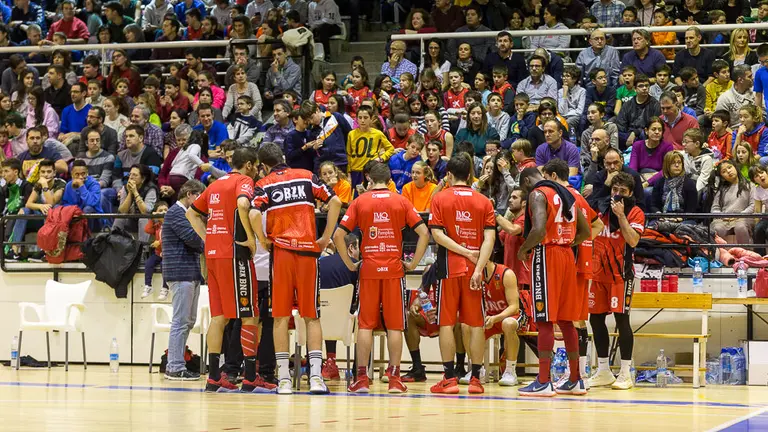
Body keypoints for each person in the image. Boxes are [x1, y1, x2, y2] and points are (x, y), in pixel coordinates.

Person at [249, 143, 342, 395]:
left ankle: (284, 380)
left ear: (264, 164)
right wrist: (325, 236)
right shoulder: (306, 176)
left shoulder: (265, 183)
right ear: (282, 157)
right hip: (307, 254)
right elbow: (335, 201)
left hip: (281, 254)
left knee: (280, 317)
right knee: (311, 316)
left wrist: (263, 239)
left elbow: (254, 214)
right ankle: (315, 378)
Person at [335, 162, 429, 393]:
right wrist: (414, 263)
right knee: (395, 326)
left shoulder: (360, 201)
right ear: (389, 181)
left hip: (368, 269)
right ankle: (395, 380)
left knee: (365, 325)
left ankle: (361, 380)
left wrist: (349, 263)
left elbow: (338, 235)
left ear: (369, 179)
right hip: (394, 270)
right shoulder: (401, 201)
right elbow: (424, 232)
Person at [187, 147, 275, 393]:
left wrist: (207, 239)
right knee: (249, 314)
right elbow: (243, 203)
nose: (257, 171)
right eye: (256, 166)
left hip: (213, 256)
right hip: (234, 255)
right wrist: (251, 238)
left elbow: (192, 214)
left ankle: (214, 377)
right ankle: (249, 377)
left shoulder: (214, 184)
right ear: (247, 164)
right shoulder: (243, 181)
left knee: (220, 317)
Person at [516, 163, 590, 397]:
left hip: (547, 255)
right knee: (567, 320)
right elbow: (586, 232)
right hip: (568, 255)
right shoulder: (570, 194)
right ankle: (575, 379)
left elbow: (538, 230)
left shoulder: (539, 193)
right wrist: (566, 242)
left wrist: (524, 249)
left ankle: (543, 380)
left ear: (527, 182)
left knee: (544, 319)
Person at [426, 153, 496, 395]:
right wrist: (477, 267)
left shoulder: (440, 199)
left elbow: (437, 235)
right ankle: (475, 379)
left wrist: (463, 251)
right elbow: (490, 238)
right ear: (470, 175)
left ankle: (449, 378)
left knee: (446, 322)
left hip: (449, 269)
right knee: (476, 323)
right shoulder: (483, 201)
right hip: (475, 271)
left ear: (448, 175)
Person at [588, 172, 645, 391]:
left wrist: (621, 216)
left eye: (622, 191)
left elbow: (633, 240)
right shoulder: (600, 209)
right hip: (598, 274)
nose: (617, 194)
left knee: (622, 322)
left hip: (621, 275)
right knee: (596, 321)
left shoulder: (636, 212)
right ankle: (603, 370)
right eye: (615, 190)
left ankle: (625, 373)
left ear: (630, 193)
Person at [709, 159, 755, 244]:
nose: (729, 171)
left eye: (730, 167)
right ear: (722, 177)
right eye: (724, 171)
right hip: (725, 220)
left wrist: (739, 215)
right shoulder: (722, 190)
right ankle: (718, 255)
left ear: (735, 167)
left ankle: (745, 254)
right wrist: (723, 216)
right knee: (717, 228)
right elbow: (715, 208)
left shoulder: (750, 186)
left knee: (740, 227)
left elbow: (753, 205)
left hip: (743, 218)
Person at [616, 74, 661, 149]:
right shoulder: (628, 104)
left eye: (647, 86)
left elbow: (654, 125)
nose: (644, 88)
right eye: (641, 86)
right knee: (613, 133)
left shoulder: (655, 104)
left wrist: (635, 132)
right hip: (627, 135)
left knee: (647, 134)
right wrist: (630, 135)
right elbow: (621, 124)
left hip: (644, 134)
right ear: (634, 88)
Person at [716, 64, 754, 129]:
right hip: (733, 134)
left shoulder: (756, 93)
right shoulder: (725, 98)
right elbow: (720, 123)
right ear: (740, 80)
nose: (753, 78)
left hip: (755, 131)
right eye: (749, 76)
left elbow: (763, 116)